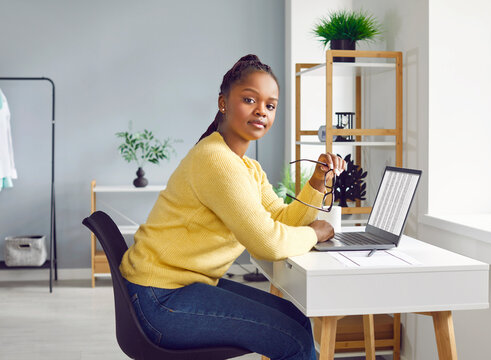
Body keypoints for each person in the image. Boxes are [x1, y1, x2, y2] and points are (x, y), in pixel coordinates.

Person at [119, 54, 346, 360]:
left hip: (179, 287)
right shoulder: (217, 161)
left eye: (270, 105)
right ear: (223, 103)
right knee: (293, 340)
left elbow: (281, 218)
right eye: (249, 99)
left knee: (297, 319)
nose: (261, 111)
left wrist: (318, 182)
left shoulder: (245, 166)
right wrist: (315, 234)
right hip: (159, 299)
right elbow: (267, 242)